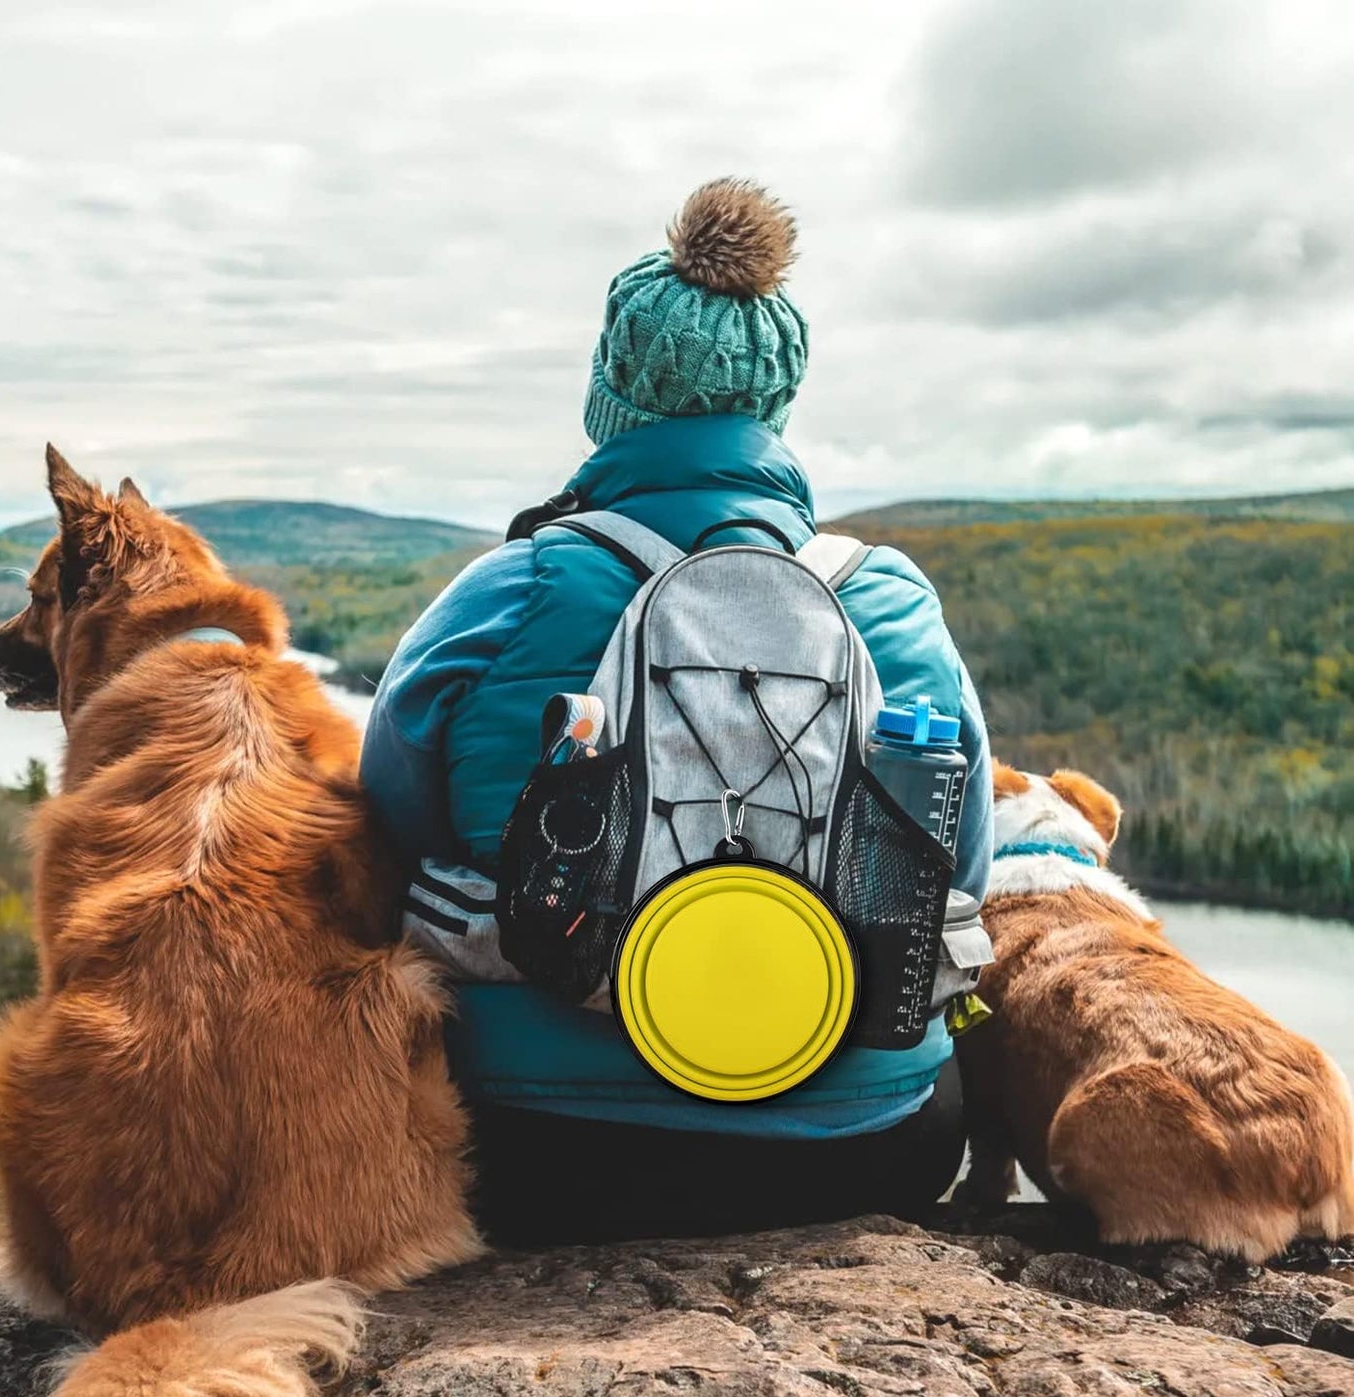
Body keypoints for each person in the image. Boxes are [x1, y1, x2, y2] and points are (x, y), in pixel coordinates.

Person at [360, 178, 993, 1245]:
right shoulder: (885, 599)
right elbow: (960, 869)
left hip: (535, 1145)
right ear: (775, 403)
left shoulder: (507, 590)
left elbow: (383, 830)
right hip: (864, 1144)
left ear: (612, 387)